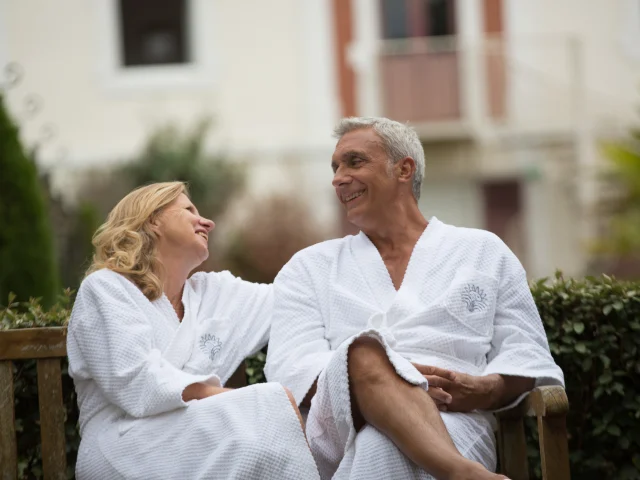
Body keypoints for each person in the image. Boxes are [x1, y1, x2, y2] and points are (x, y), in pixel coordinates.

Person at [265, 117, 564, 480]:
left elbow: (527, 352)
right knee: (360, 355)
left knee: (379, 446)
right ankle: (461, 474)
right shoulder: (308, 267)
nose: (338, 177)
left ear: (404, 168)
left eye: (354, 162)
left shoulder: (483, 252)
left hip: (455, 424)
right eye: (335, 167)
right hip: (344, 429)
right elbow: (291, 368)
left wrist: (485, 389)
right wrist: (384, 376)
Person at [67, 182, 319, 479]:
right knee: (269, 409)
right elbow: (135, 380)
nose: (208, 222)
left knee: (267, 420)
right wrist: (230, 399)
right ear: (153, 220)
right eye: (189, 210)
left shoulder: (212, 294)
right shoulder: (106, 288)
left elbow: (292, 299)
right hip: (122, 445)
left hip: (201, 433)